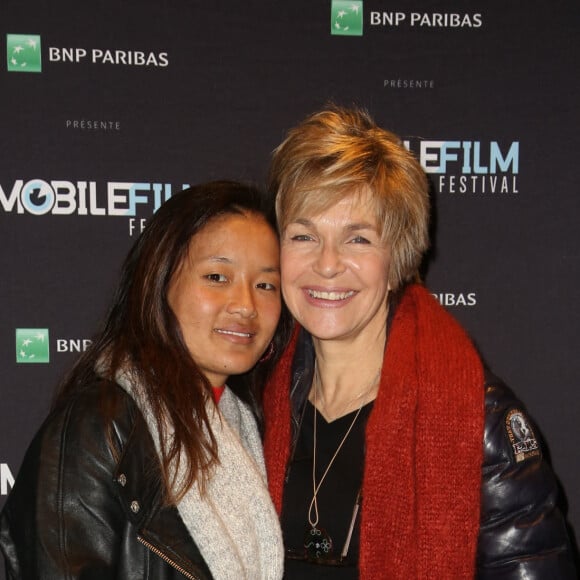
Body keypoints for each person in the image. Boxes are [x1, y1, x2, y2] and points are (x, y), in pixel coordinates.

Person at [262, 107, 577, 579]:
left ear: (398, 256)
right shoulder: (256, 407)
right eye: (304, 235)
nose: (327, 264)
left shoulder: (480, 421)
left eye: (358, 240)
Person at [0, 181, 293, 579]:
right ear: (160, 280)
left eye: (265, 285)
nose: (245, 305)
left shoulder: (247, 427)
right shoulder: (99, 427)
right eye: (216, 277)